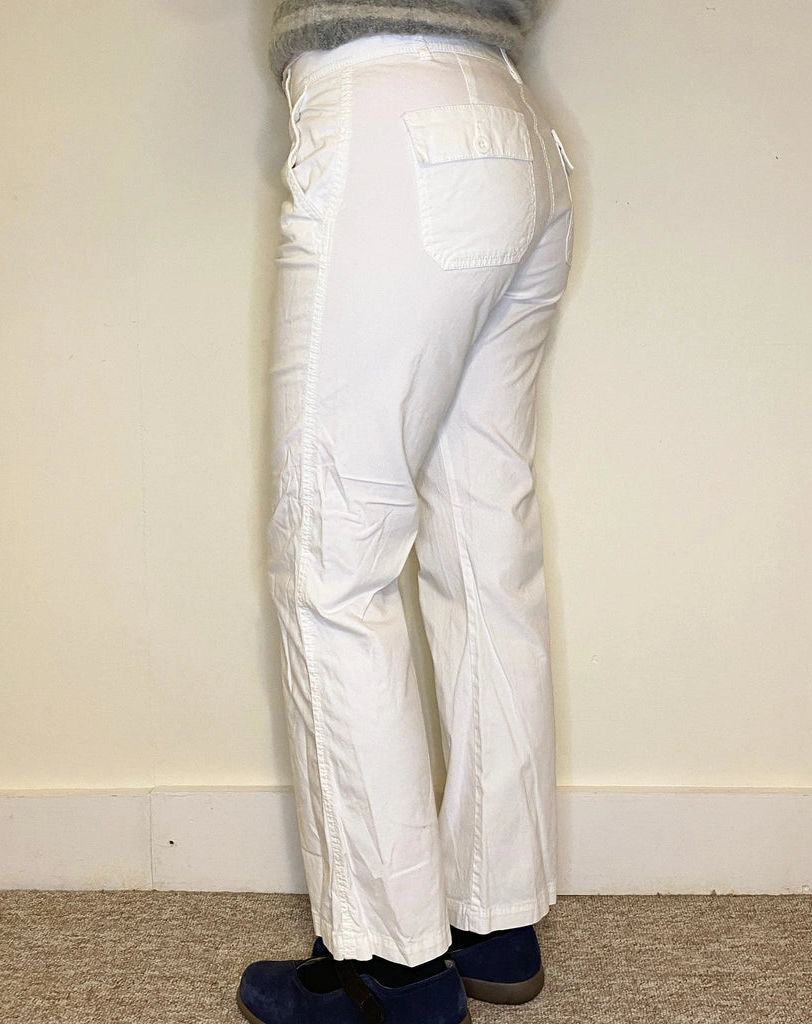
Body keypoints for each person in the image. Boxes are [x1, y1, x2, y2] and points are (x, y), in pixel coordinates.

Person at [237, 2, 574, 1022]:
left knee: (333, 559)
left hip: (391, 116)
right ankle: (493, 918)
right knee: (485, 544)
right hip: (517, 128)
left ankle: (389, 969)